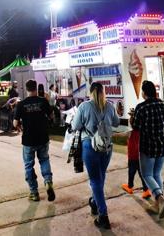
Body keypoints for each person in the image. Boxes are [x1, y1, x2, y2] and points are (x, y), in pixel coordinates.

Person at [71, 82, 120, 229]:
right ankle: (94, 201)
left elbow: (76, 126)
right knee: (100, 176)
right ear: (103, 92)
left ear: (91, 92)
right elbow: (116, 123)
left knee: (95, 180)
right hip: (106, 147)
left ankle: (103, 215)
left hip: (89, 146)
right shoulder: (110, 106)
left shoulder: (84, 106)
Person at [133, 80, 164, 220]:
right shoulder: (163, 105)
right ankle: (157, 204)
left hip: (148, 146)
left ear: (144, 92)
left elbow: (136, 127)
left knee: (147, 174)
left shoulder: (141, 108)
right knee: (157, 173)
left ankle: (160, 199)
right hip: (162, 144)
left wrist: (132, 117)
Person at [13, 79, 55, 202]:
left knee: (29, 165)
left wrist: (19, 125)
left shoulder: (21, 104)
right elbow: (51, 116)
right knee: (44, 160)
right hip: (42, 137)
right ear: (36, 88)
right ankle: (48, 182)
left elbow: (15, 122)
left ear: (26, 89)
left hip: (28, 140)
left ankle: (34, 193)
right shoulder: (43, 101)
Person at [121, 107, 150, 198]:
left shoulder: (130, 132)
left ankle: (130, 187)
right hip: (141, 155)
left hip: (133, 156)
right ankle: (146, 190)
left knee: (131, 171)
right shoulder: (143, 130)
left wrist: (110, 134)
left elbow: (120, 134)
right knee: (142, 173)